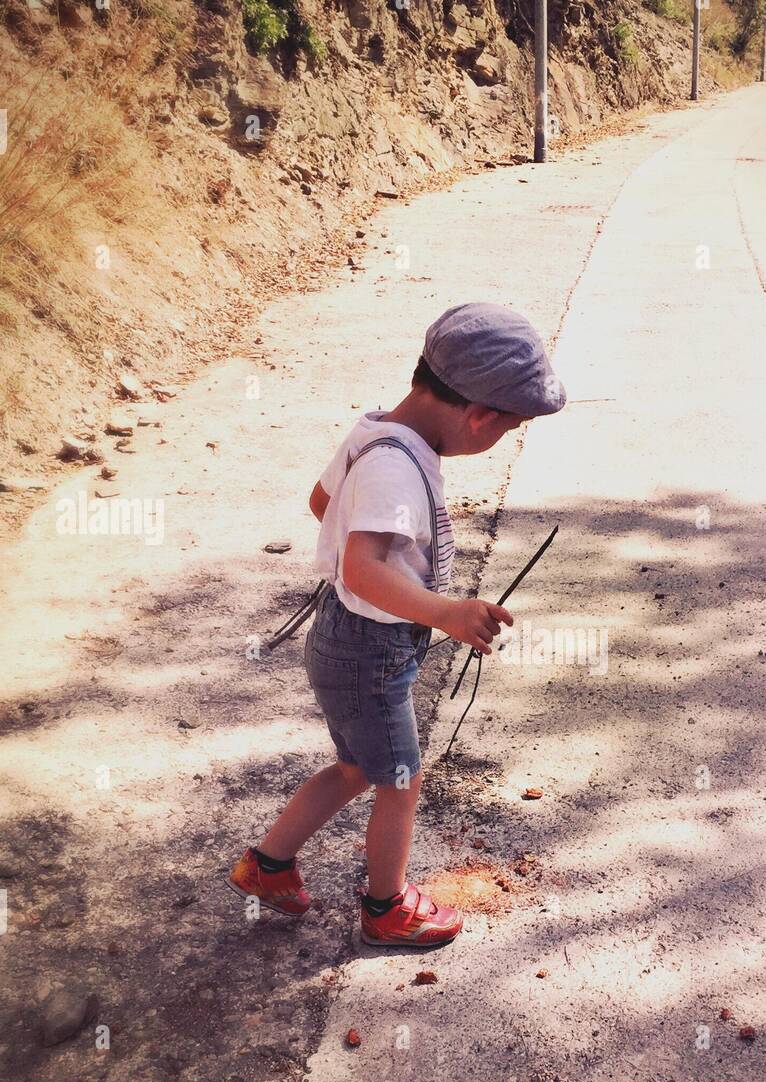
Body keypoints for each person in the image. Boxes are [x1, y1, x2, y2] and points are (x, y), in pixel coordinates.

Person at [229, 303, 565, 947]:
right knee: (400, 780)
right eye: (511, 427)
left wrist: (375, 543)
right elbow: (361, 569)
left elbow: (322, 502)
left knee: (357, 767)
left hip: (344, 638)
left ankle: (268, 867)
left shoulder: (375, 432)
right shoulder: (396, 466)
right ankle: (385, 909)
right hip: (368, 649)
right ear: (481, 415)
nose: (504, 436)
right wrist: (446, 611)